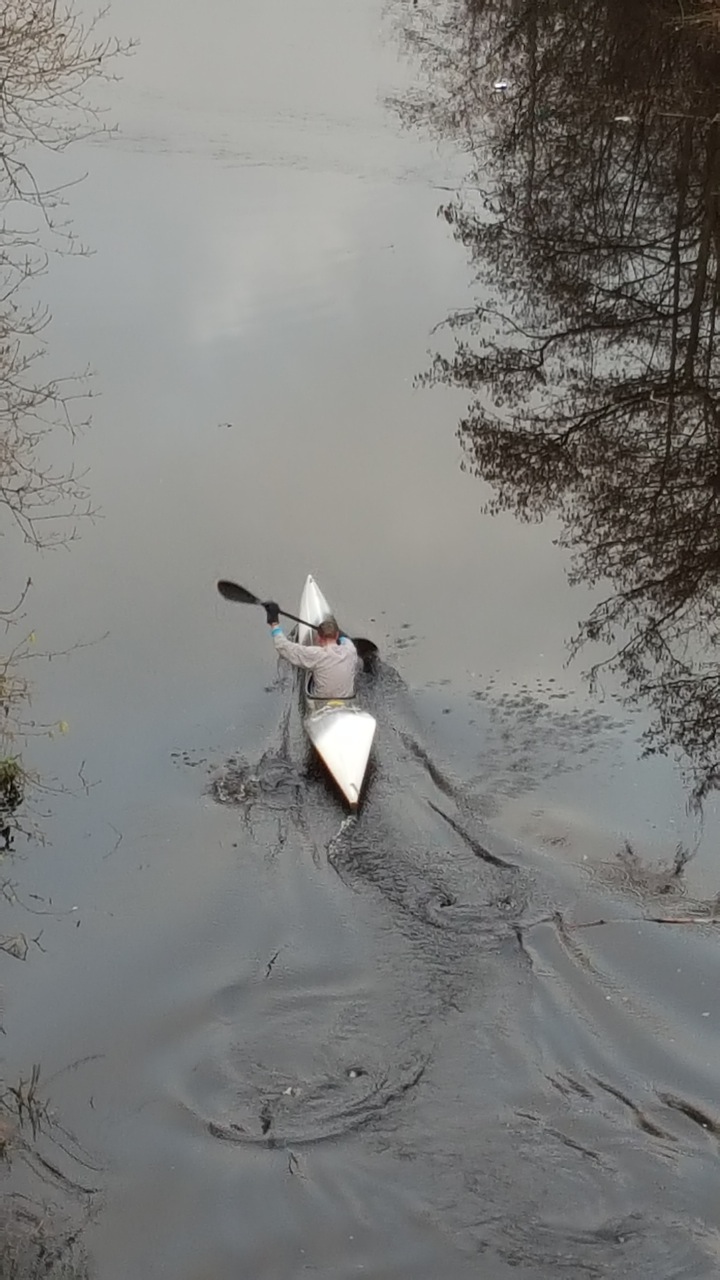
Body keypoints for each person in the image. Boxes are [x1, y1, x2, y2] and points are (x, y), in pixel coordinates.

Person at [264, 602, 360, 698]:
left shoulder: (316, 654)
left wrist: (274, 623)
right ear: (337, 635)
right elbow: (346, 639)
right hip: (346, 699)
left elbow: (282, 646)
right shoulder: (350, 649)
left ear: (318, 638)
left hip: (321, 702)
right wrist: (338, 633)